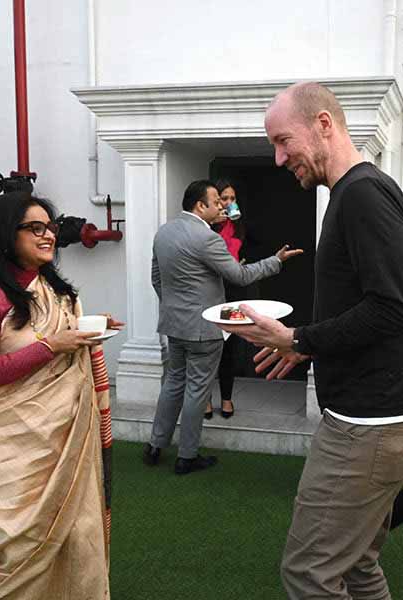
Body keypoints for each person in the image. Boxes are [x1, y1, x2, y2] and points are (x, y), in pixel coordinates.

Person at [220, 81, 403, 600]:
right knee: (359, 565)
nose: (278, 159)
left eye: (283, 141)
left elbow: (392, 306)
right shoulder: (356, 193)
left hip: (365, 430)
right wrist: (305, 345)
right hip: (374, 423)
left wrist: (298, 337)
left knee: (309, 573)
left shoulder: (362, 194)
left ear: (324, 124)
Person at [0, 192, 121, 599]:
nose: (48, 235)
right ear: (4, 234)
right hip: (10, 446)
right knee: (18, 547)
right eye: (35, 228)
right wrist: (52, 345)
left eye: (50, 227)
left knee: (76, 533)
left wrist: (87, 332)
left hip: (65, 433)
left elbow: (56, 337)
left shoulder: (54, 290)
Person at [144, 180, 301, 475]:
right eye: (217, 201)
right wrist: (276, 261)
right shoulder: (207, 239)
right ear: (200, 205)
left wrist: (174, 306)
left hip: (173, 324)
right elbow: (240, 276)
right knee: (196, 389)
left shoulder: (164, 232)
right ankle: (186, 457)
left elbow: (156, 277)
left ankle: (155, 446)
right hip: (203, 328)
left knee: (174, 382)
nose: (222, 206)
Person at [205, 179, 248, 419]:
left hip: (233, 290)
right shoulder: (206, 228)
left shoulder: (240, 225)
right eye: (224, 198)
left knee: (229, 345)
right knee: (210, 347)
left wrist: (243, 263)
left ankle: (227, 399)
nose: (229, 203)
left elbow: (247, 250)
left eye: (232, 198)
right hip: (211, 290)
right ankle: (206, 400)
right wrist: (213, 224)